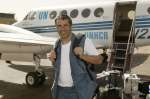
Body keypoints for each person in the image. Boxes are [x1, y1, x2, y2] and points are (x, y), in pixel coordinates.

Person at [48, 14, 103, 99]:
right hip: (59, 91)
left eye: (65, 25)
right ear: (56, 28)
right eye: (59, 26)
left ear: (71, 26)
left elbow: (99, 60)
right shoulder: (56, 44)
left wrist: (82, 55)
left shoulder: (83, 41)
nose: (62, 28)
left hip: (78, 91)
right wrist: (52, 60)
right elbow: (57, 67)